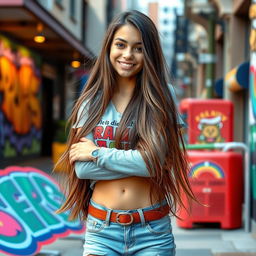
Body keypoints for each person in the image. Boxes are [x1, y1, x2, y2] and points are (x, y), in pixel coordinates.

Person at [56, 10, 196, 256]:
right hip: (102, 231)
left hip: (152, 232)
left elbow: (151, 165)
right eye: (121, 45)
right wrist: (138, 159)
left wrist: (96, 153)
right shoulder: (92, 101)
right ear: (109, 46)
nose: (128, 55)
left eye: (139, 48)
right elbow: (82, 169)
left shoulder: (162, 97)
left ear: (149, 53)